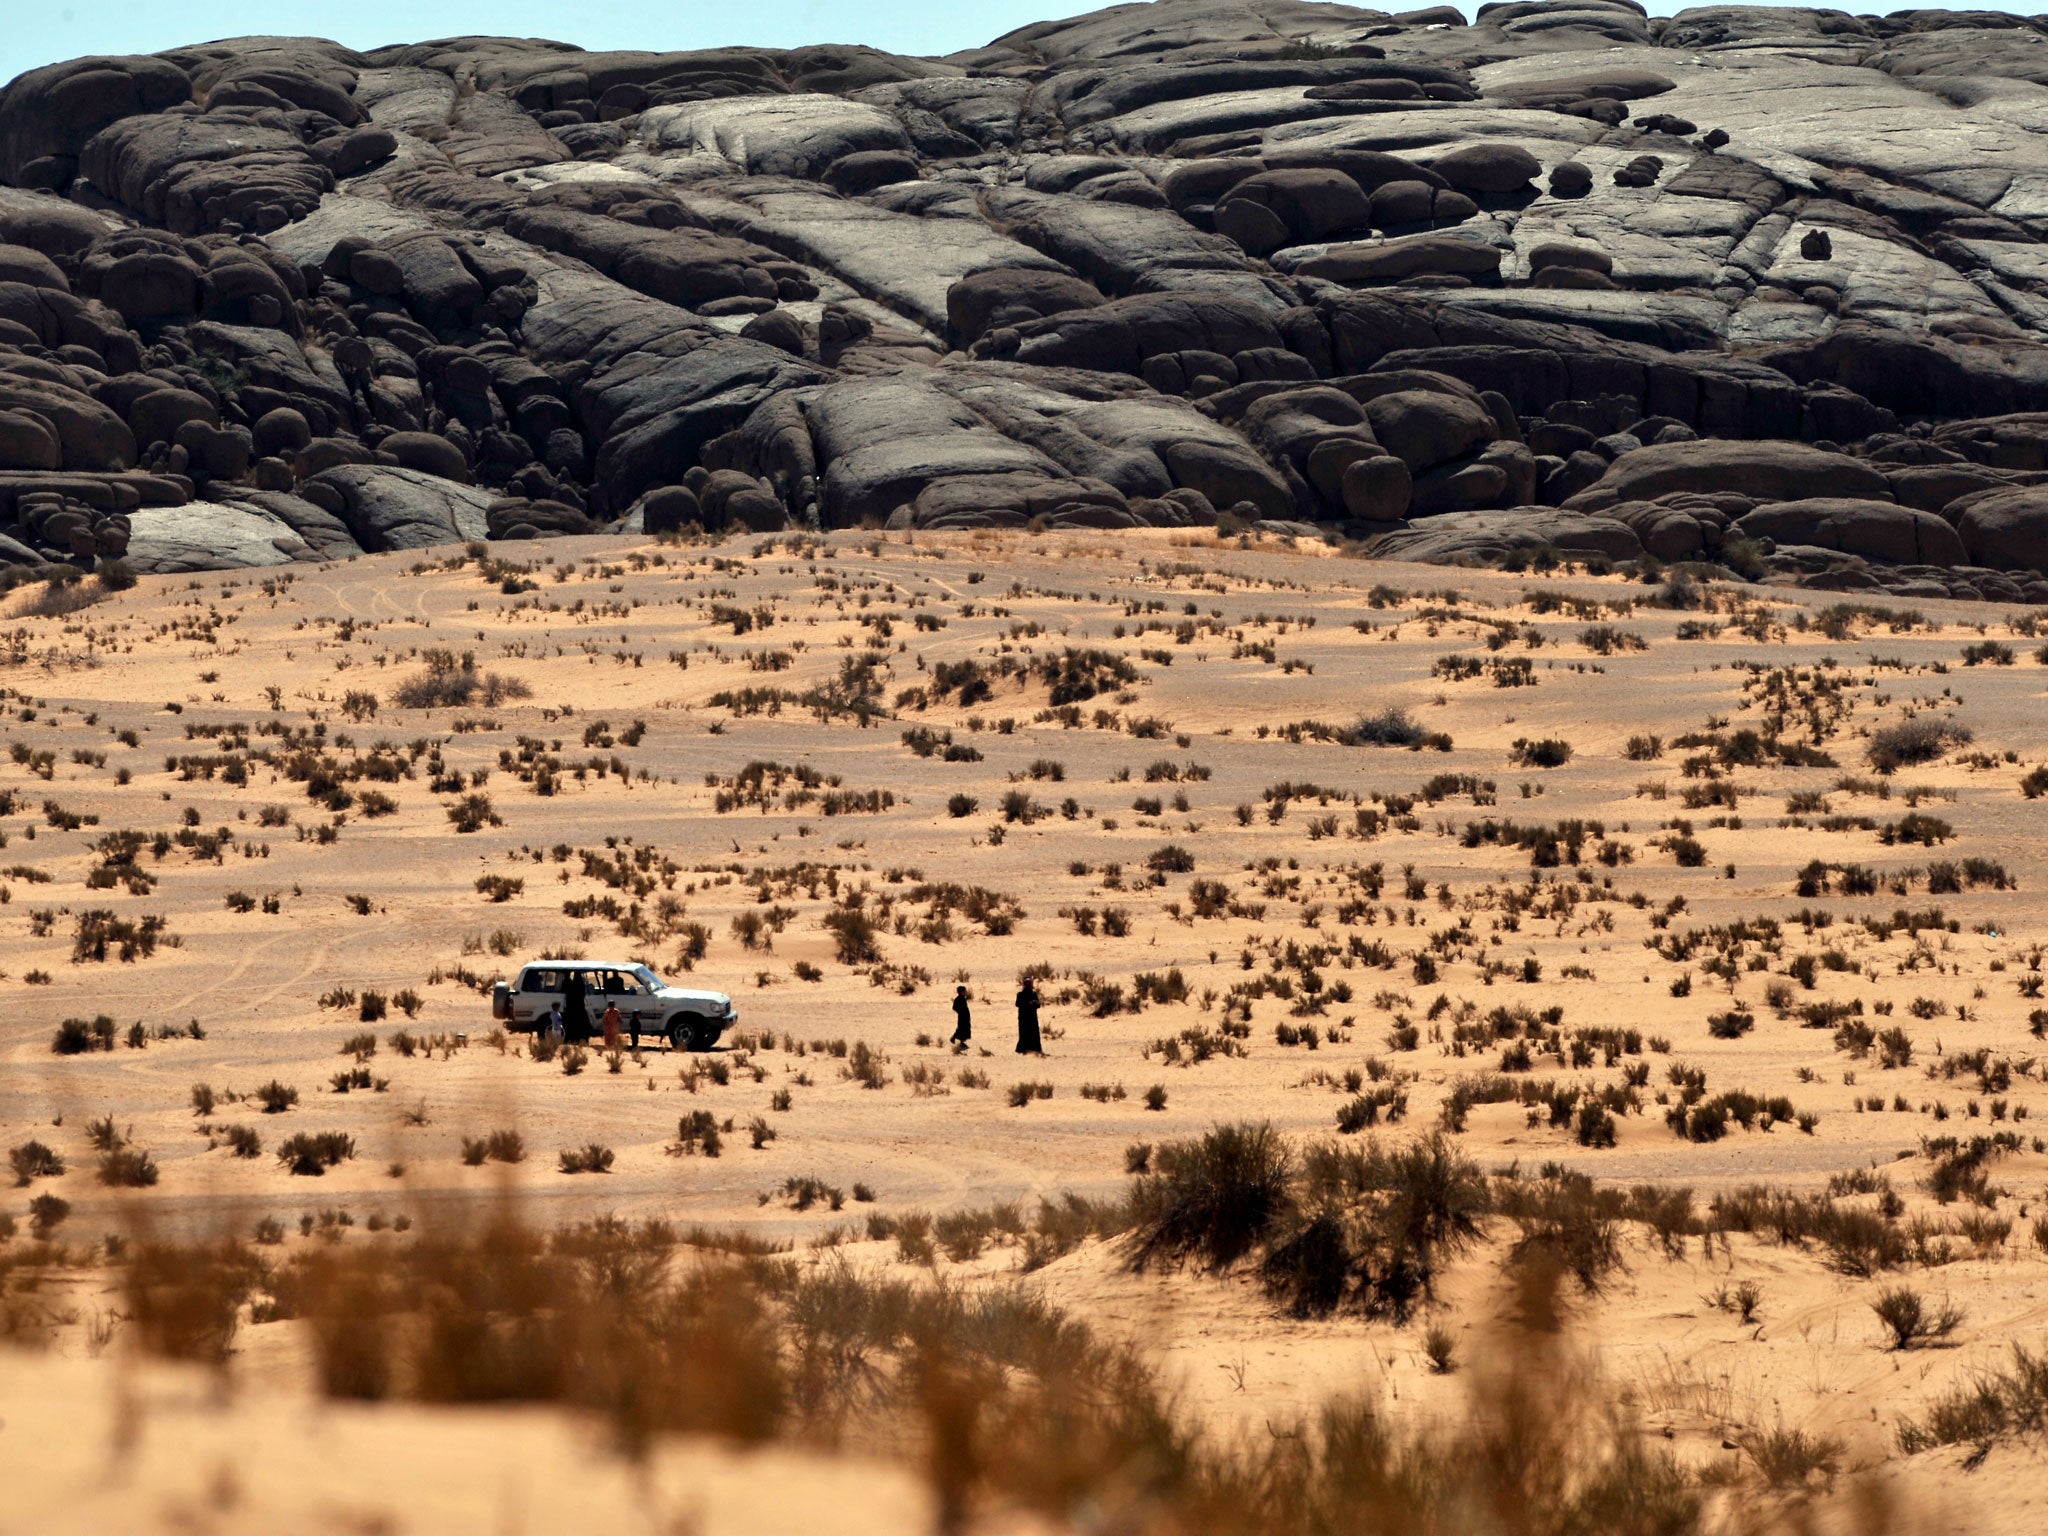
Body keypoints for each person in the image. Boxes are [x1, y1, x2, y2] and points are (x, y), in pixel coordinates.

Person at [1015, 977, 1043, 1055]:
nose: (1028, 985)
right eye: (1026, 983)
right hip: (1023, 1017)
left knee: (1034, 1033)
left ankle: (1035, 1048)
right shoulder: (1020, 994)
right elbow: (1017, 1004)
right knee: (1023, 1033)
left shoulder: (1033, 994)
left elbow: (1038, 1005)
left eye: (1029, 983)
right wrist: (1027, 1004)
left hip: (1032, 1017)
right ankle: (1022, 1049)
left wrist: (1034, 1002)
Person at [562, 970, 591, 1044]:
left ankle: (571, 1039)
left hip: (571, 1008)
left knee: (570, 1024)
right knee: (582, 1024)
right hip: (579, 1007)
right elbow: (582, 994)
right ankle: (579, 1038)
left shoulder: (570, 984)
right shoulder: (580, 984)